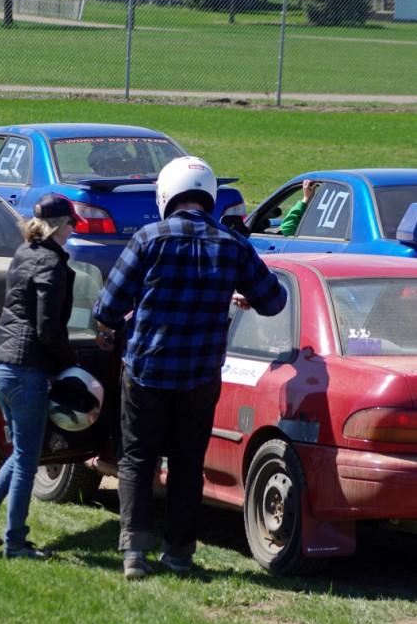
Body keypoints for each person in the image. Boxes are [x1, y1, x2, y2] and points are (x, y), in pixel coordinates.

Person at [92, 156, 288, 580]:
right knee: (187, 463)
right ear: (208, 197)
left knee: (138, 460)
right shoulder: (233, 244)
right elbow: (274, 301)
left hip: (146, 369)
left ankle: (134, 553)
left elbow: (109, 307)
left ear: (168, 195)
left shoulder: (149, 238)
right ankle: (178, 553)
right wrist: (239, 293)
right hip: (201, 375)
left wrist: (106, 326)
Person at [0, 193, 86, 560]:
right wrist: (72, 365)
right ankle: (15, 542)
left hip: (1, 365)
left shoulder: (23, 254)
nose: (71, 233)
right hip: (24, 370)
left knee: (20, 454)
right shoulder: (51, 263)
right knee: (28, 460)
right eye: (70, 226)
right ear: (59, 226)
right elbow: (48, 328)